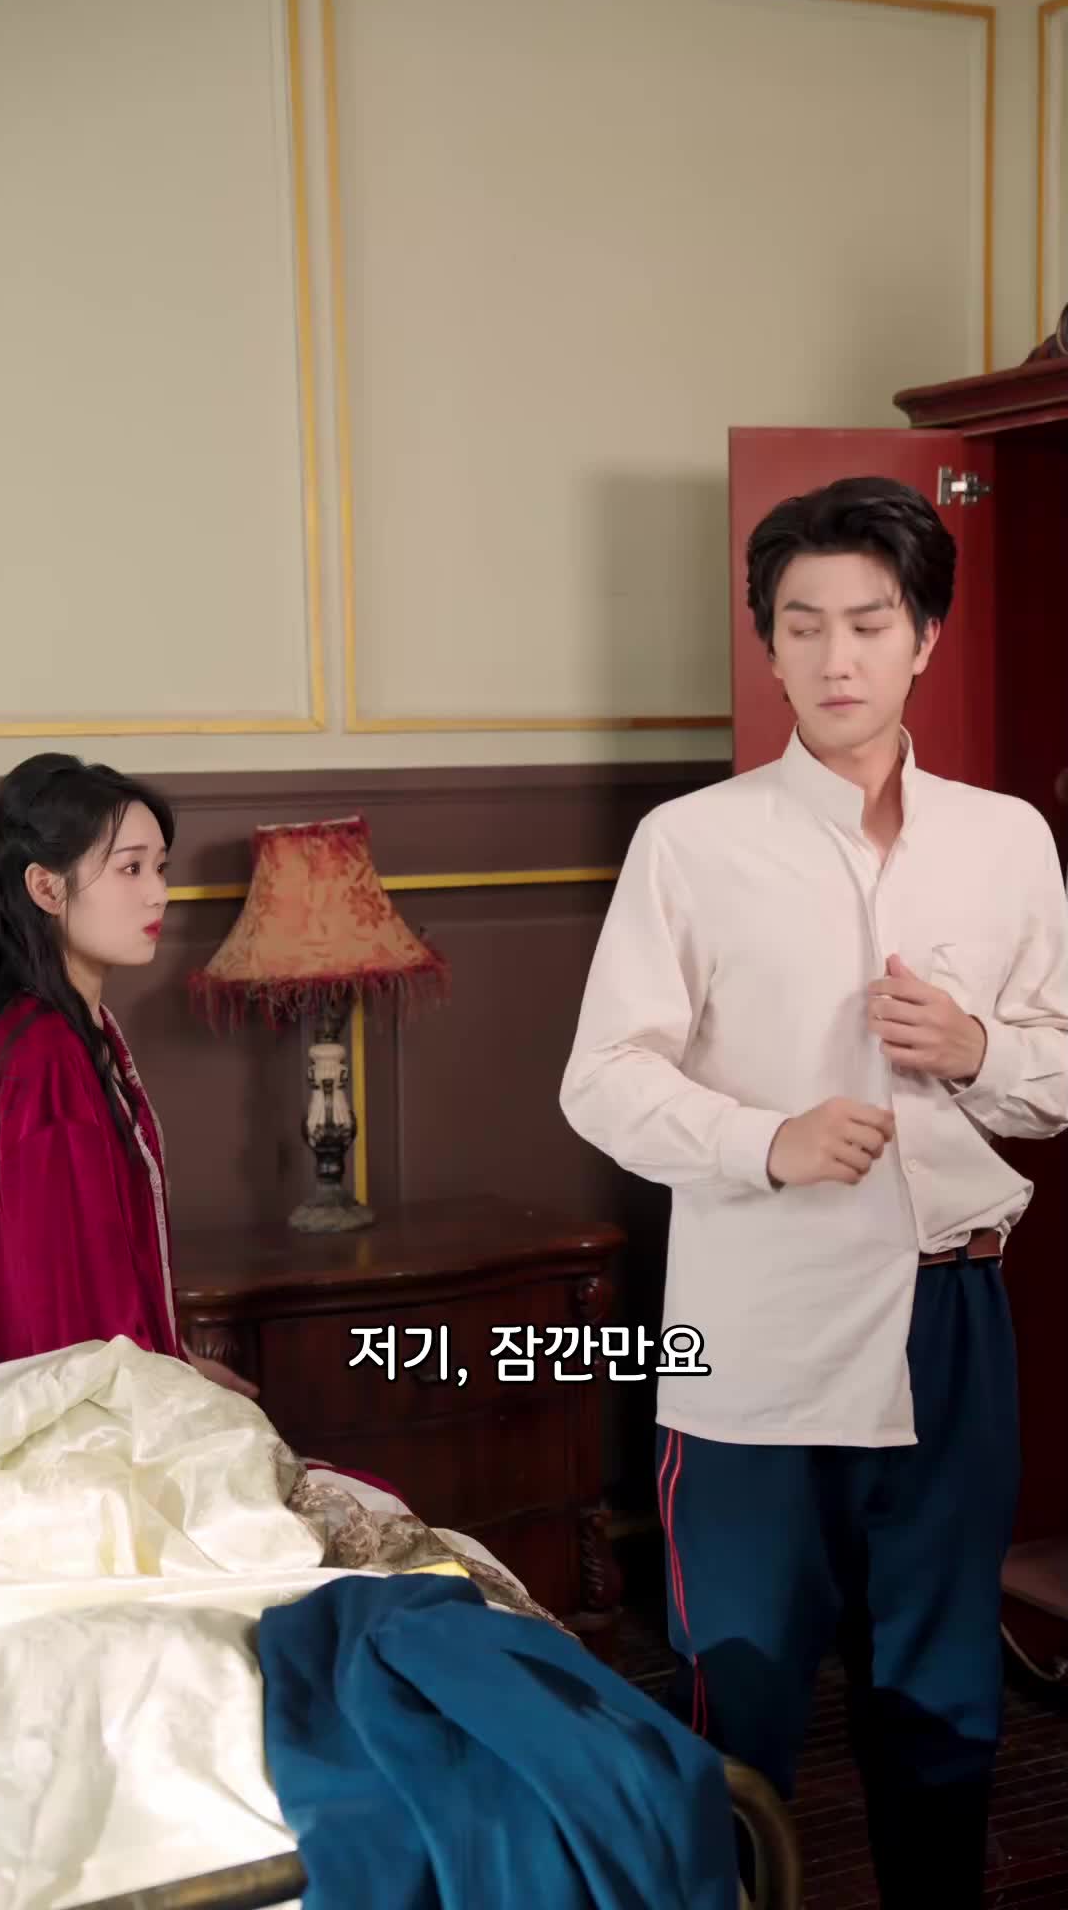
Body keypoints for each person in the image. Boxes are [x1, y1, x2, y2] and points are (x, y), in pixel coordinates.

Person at [559, 477, 1068, 1905]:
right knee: (742, 1695)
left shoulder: (1007, 840)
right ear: (768, 646)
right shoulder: (693, 841)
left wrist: (980, 1052)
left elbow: (1057, 1073)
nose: (837, 657)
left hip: (952, 1320)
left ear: (926, 637)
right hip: (754, 1328)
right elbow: (602, 1079)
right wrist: (763, 1141)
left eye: (870, 622)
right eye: (803, 626)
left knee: (944, 1694)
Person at [0, 751, 255, 1396]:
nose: (159, 892)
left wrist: (180, 1362)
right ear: (46, 888)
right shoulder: (43, 1054)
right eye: (130, 868)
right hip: (79, 1411)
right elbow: (57, 1311)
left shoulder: (81, 1028)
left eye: (160, 868)